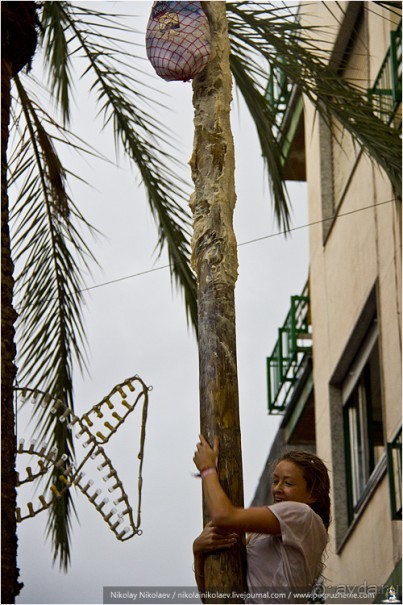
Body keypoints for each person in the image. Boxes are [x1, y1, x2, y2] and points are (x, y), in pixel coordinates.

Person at [193, 435, 330, 604]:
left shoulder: (302, 514)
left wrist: (207, 469)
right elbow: (211, 598)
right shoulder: (259, 537)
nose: (277, 489)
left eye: (288, 483)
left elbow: (223, 516)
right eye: (275, 481)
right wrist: (198, 551)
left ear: (312, 494)